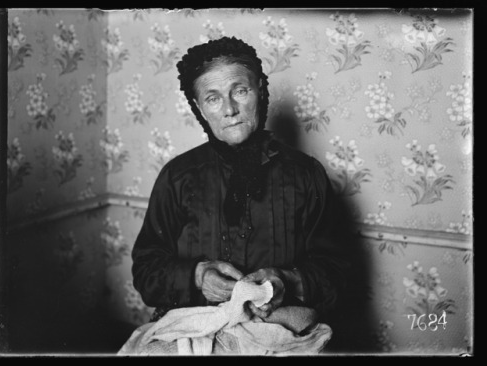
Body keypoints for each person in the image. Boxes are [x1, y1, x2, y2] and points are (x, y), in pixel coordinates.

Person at [131, 36, 350, 323]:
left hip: (279, 331)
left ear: (260, 90)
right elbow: (146, 271)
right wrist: (197, 277)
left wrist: (289, 280)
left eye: (240, 91)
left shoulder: (306, 174)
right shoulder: (177, 177)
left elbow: (336, 271)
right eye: (213, 98)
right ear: (198, 108)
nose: (229, 109)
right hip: (193, 328)